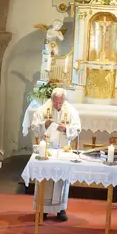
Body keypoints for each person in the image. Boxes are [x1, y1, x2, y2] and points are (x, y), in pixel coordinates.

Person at [30, 88, 81, 221]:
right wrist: (44, 124)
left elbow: (77, 128)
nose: (57, 105)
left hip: (63, 150)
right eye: (55, 102)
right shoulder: (42, 110)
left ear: (64, 100)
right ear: (52, 99)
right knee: (45, 178)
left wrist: (66, 129)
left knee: (61, 179)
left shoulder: (71, 111)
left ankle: (61, 209)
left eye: (60, 103)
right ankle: (43, 209)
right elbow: (34, 127)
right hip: (47, 150)